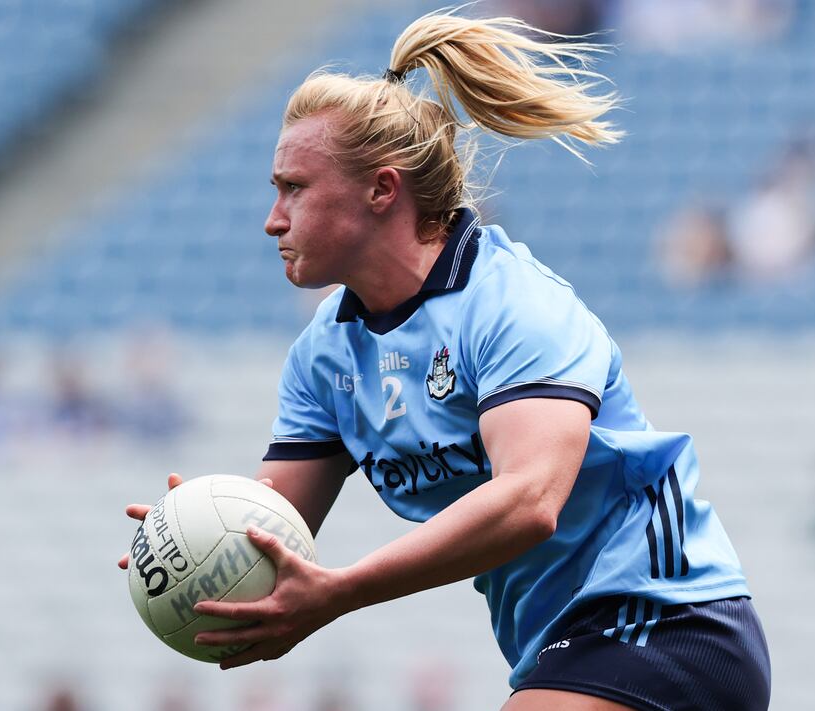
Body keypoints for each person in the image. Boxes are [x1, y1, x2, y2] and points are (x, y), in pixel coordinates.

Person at [119, 10, 770, 710]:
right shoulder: (324, 357)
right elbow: (274, 526)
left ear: (382, 189)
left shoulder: (512, 304)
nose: (273, 218)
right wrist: (195, 538)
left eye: (294, 188)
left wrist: (344, 589)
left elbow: (530, 501)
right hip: (559, 642)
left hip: (663, 615)